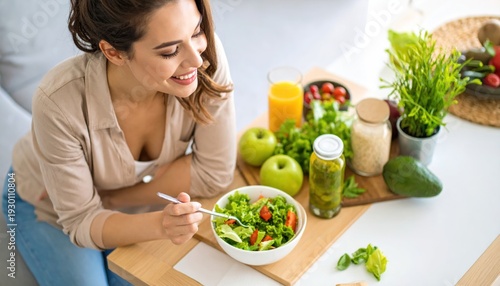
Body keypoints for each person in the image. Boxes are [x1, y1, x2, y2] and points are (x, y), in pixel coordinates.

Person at [2, 0, 236, 284]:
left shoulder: (205, 57)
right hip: (48, 205)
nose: (196, 60)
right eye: (170, 51)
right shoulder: (57, 101)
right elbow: (80, 220)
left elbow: (214, 173)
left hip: (130, 199)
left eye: (197, 31)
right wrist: (161, 224)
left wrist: (110, 199)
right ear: (113, 52)